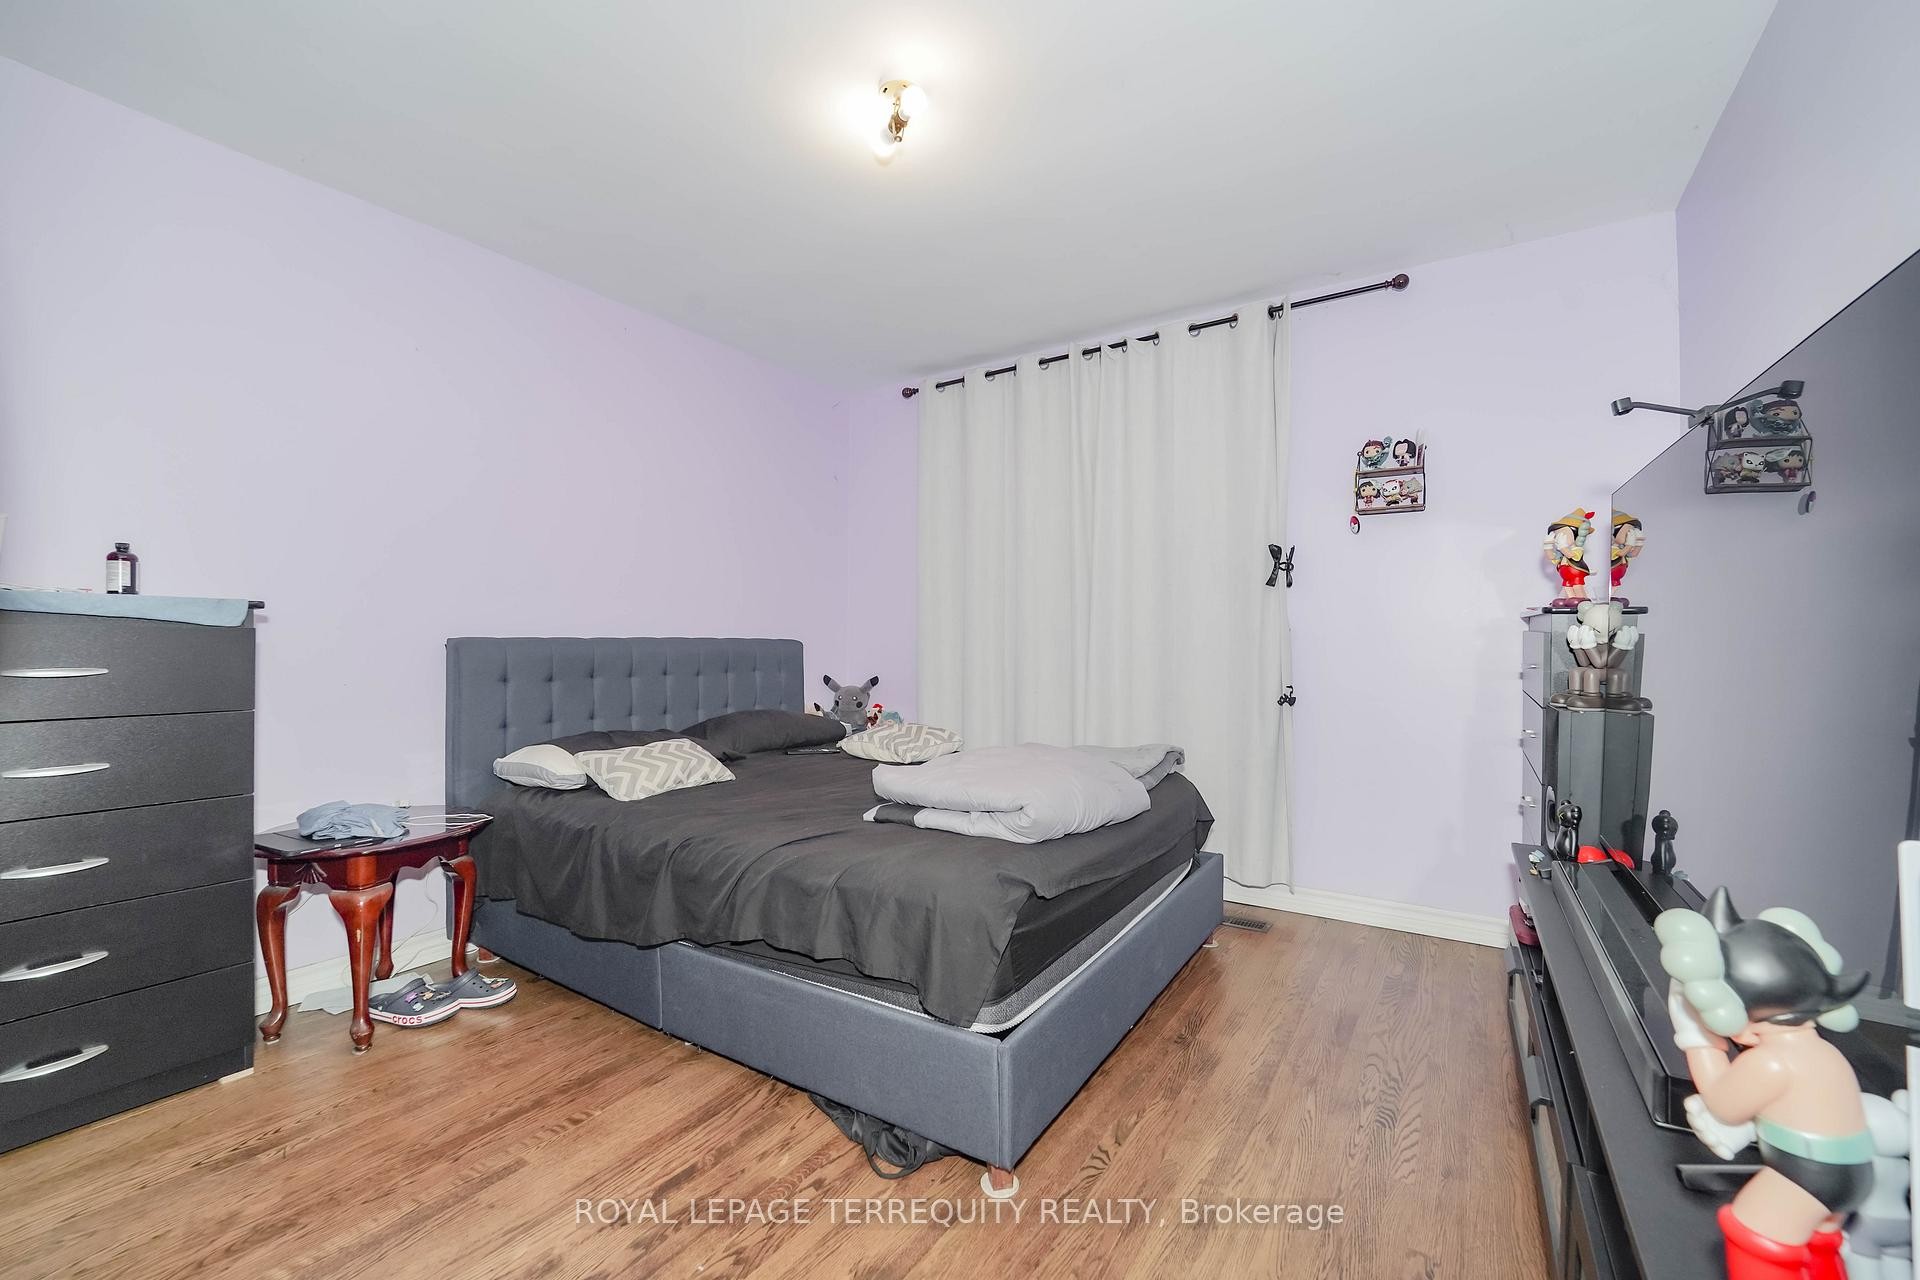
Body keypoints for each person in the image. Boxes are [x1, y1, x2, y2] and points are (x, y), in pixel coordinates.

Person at [1657, 889, 1872, 1280]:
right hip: (1853, 1178)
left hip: (1805, 1175)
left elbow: (1723, 1104)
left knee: (1755, 1236)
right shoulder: (1826, 1053)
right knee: (1818, 1248)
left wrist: (1698, 1039)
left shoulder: (1772, 1061)